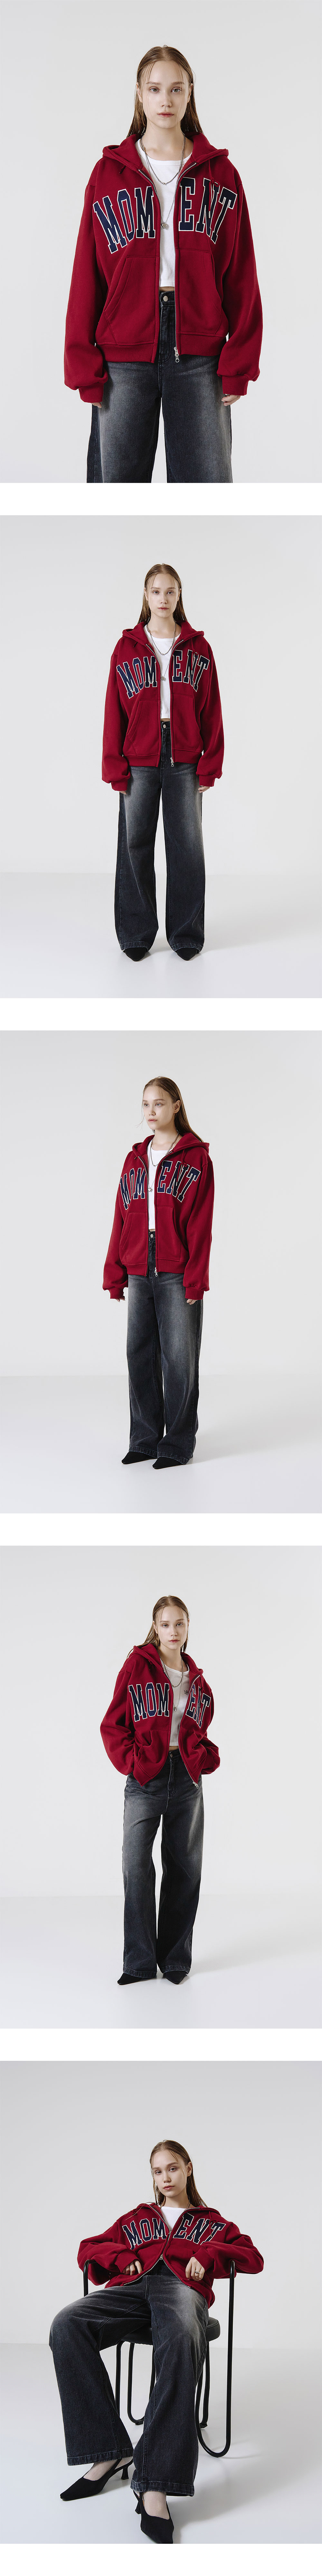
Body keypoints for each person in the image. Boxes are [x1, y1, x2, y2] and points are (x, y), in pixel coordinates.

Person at [64, 43, 262, 485]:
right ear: (139, 94)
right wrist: (83, 364)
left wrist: (240, 361)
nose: (165, 100)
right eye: (155, 89)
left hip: (201, 352)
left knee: (206, 492)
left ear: (190, 93)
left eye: (176, 89)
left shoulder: (221, 176)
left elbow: (242, 273)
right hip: (122, 349)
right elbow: (86, 274)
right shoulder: (107, 175)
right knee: (115, 493)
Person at [50, 2133, 264, 2538]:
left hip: (181, 2289)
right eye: (157, 2171)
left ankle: (155, 2482)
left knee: (181, 2336)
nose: (165, 2177)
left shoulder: (213, 2222)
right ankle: (109, 2451)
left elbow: (252, 2256)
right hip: (132, 2288)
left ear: (188, 2169)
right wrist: (121, 2255)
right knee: (67, 2324)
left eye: (172, 2168)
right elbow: (88, 2248)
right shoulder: (137, 2218)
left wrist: (208, 2254)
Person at [102, 559, 224, 960]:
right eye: (156, 591)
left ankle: (186, 934)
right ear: (145, 595)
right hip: (138, 755)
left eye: (170, 591)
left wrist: (210, 763)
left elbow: (212, 710)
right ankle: (136, 934)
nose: (163, 598)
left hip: (185, 755)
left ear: (179, 595)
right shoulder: (126, 649)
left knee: (187, 846)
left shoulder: (199, 649)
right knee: (134, 844)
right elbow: (113, 711)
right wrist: (114, 765)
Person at [101, 1591, 220, 1984]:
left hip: (186, 1779)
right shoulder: (137, 1665)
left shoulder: (196, 1677)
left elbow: (198, 1728)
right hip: (146, 1779)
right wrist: (135, 1764)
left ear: (188, 1626)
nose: (173, 1630)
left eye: (179, 1623)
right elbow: (113, 1723)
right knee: (136, 1866)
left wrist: (202, 1757)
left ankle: (175, 1960)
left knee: (184, 1868)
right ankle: (138, 1963)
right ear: (155, 1626)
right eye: (166, 1624)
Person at [103, 1075, 214, 1468]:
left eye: (160, 1103)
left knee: (179, 1359)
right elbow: (121, 1216)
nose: (151, 1111)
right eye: (146, 1104)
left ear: (176, 1106)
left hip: (177, 1269)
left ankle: (177, 1444)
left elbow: (201, 1224)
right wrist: (115, 1272)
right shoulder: (134, 1158)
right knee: (139, 1354)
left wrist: (196, 1279)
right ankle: (146, 1439)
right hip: (138, 1265)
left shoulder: (196, 1158)